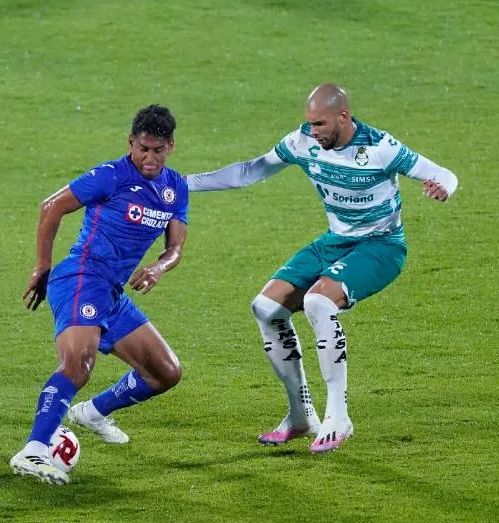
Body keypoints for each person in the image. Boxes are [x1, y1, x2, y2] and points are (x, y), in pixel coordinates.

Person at [186, 84, 457, 454]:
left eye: (320, 124)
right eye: (309, 123)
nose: (313, 131)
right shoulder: (303, 142)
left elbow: (444, 173)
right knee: (265, 308)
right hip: (335, 241)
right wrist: (183, 184)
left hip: (381, 246)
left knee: (317, 302)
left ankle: (338, 416)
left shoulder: (380, 148)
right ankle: (300, 416)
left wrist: (444, 188)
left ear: (343, 117)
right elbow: (249, 172)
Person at [10, 105, 189, 484]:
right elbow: (51, 207)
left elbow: (175, 247)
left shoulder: (176, 189)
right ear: (131, 143)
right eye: (143, 148)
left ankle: (91, 413)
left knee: (165, 372)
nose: (149, 157)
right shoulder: (111, 176)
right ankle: (34, 450)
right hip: (81, 277)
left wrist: (159, 267)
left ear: (170, 147)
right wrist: (42, 266)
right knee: (78, 364)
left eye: (157, 150)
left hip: (111, 293)